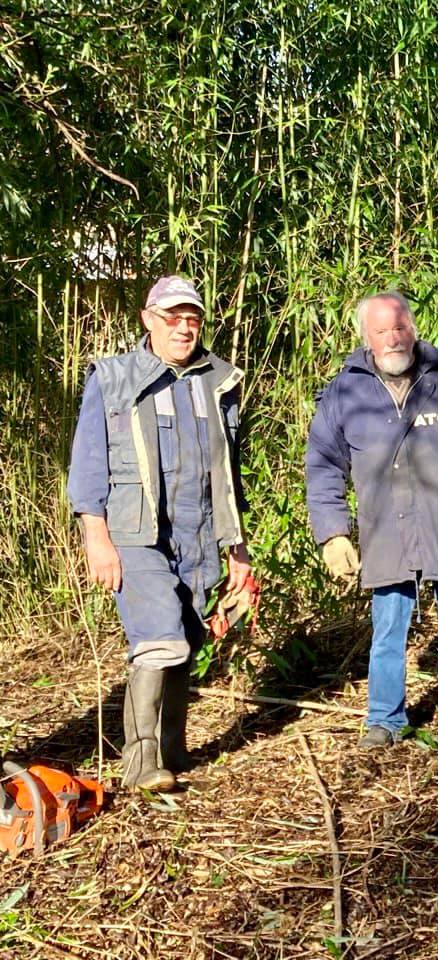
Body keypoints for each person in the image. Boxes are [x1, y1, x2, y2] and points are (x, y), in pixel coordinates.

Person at [68, 275, 253, 791]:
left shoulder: (219, 380)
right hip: (136, 533)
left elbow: (228, 473)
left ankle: (173, 751)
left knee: (188, 643)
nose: (184, 327)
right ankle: (141, 763)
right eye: (173, 317)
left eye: (192, 318)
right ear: (149, 320)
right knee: (159, 639)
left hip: (197, 535)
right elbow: (87, 464)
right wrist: (96, 537)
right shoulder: (113, 378)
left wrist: (237, 548)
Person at [305, 291, 438, 746]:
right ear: (366, 337)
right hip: (386, 530)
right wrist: (333, 533)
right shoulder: (344, 392)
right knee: (388, 630)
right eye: (382, 331)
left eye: (399, 328)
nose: (393, 339)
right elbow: (322, 464)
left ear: (413, 329)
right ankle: (384, 720)